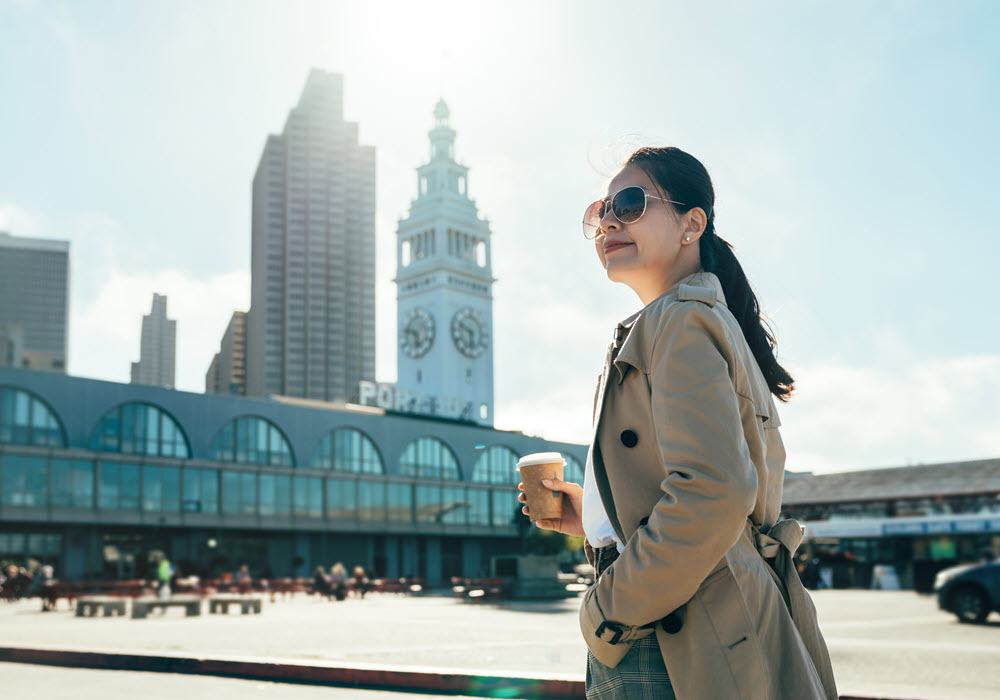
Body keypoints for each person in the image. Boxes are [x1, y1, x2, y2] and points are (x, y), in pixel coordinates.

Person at [519, 147, 838, 699]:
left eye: (632, 202)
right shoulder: (687, 319)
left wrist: (608, 611)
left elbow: (714, 491)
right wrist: (594, 521)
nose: (610, 221)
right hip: (692, 616)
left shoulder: (679, 320)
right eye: (601, 209)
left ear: (692, 224)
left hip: (672, 631)